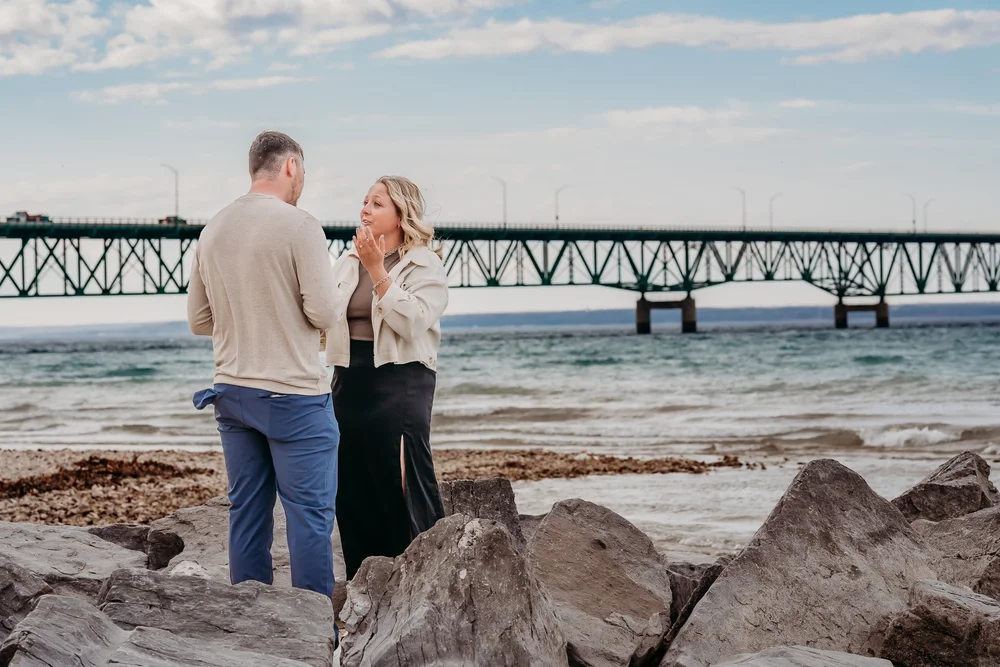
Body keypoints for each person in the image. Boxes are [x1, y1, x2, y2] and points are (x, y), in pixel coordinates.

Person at [186, 131, 342, 626]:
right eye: (304, 173)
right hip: (294, 396)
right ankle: (313, 632)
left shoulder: (213, 229)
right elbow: (322, 311)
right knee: (309, 519)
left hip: (231, 392)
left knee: (247, 514)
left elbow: (199, 320)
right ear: (291, 166)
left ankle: (250, 630)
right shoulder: (299, 225)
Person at [325, 175, 448, 579]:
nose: (365, 209)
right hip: (348, 381)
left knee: (400, 482)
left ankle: (421, 579)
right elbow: (324, 320)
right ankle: (364, 581)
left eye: (377, 203)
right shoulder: (344, 262)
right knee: (351, 486)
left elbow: (412, 323)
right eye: (364, 201)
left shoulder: (424, 263)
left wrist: (378, 270)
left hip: (402, 381)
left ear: (401, 214)